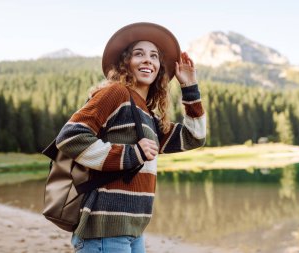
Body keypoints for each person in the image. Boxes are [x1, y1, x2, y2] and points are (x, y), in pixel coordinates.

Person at [56, 22, 206, 253]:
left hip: (133, 229)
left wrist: (190, 87)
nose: (148, 60)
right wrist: (132, 153)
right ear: (125, 63)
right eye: (139, 54)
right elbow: (69, 137)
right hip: (105, 230)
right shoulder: (115, 94)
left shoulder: (147, 115)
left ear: (160, 67)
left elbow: (195, 137)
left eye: (154, 56)